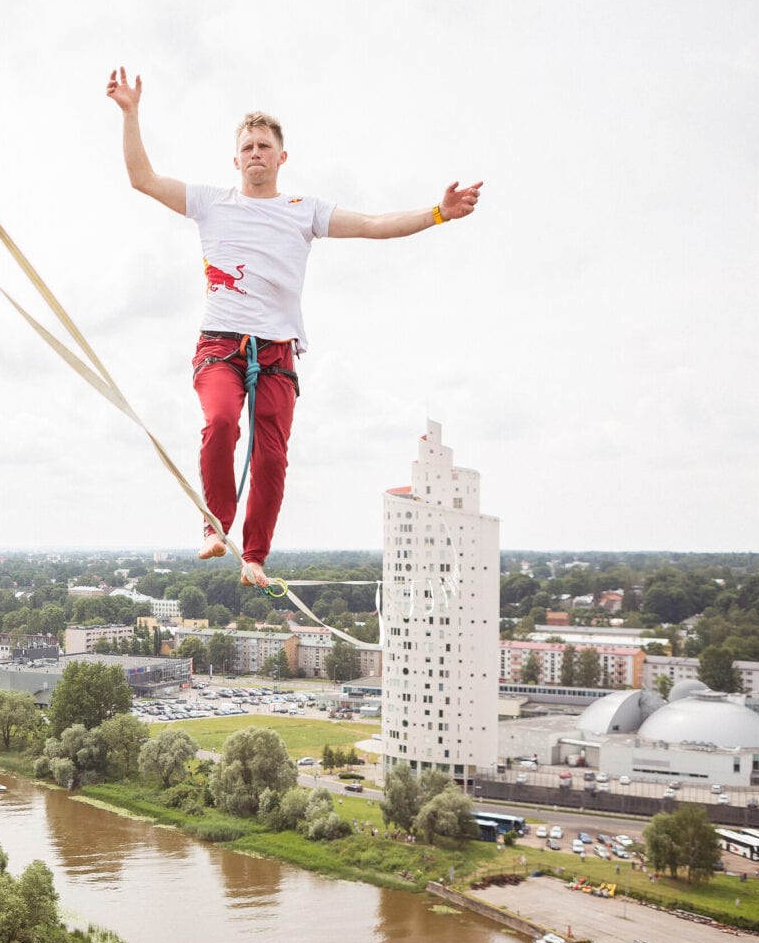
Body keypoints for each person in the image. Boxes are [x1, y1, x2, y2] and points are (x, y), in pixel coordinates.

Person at [105, 68, 482, 587]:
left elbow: (373, 225)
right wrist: (131, 114)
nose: (256, 153)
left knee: (272, 459)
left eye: (264, 146)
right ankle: (215, 526)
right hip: (220, 346)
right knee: (220, 423)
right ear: (235, 159)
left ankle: (254, 556)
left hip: (278, 354)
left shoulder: (304, 212)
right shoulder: (212, 203)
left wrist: (438, 212)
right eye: (248, 146)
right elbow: (142, 179)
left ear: (281, 157)